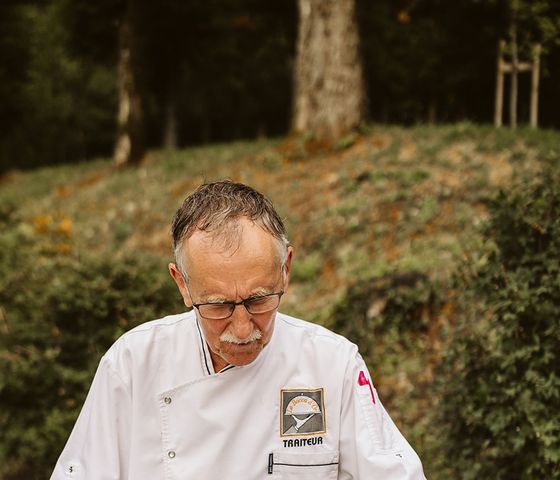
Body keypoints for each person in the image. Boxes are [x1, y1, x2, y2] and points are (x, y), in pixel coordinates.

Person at [50, 180, 426, 479]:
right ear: (182, 284)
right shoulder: (132, 364)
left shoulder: (333, 365)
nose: (243, 328)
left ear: (286, 270)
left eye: (259, 300)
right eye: (218, 306)